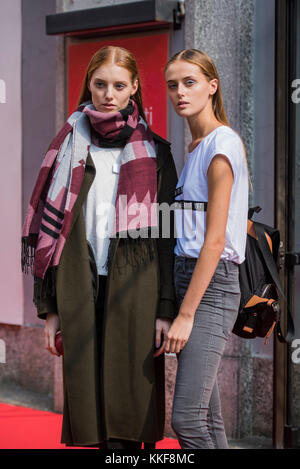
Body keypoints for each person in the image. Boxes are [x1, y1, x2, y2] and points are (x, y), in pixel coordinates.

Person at [21, 46, 177, 449]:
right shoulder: (67, 148)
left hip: (136, 292)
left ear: (134, 89)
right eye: (100, 84)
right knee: (89, 415)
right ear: (88, 85)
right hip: (79, 290)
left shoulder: (157, 152)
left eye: (119, 85)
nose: (109, 94)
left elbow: (165, 240)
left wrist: (164, 310)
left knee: (130, 412)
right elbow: (47, 237)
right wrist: (49, 308)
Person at [163, 49, 249, 449]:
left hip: (209, 286)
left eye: (190, 82)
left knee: (187, 420)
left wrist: (185, 314)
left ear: (212, 86)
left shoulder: (221, 144)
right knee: (208, 419)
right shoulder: (196, 146)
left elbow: (214, 240)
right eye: (173, 85)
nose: (180, 92)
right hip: (189, 278)